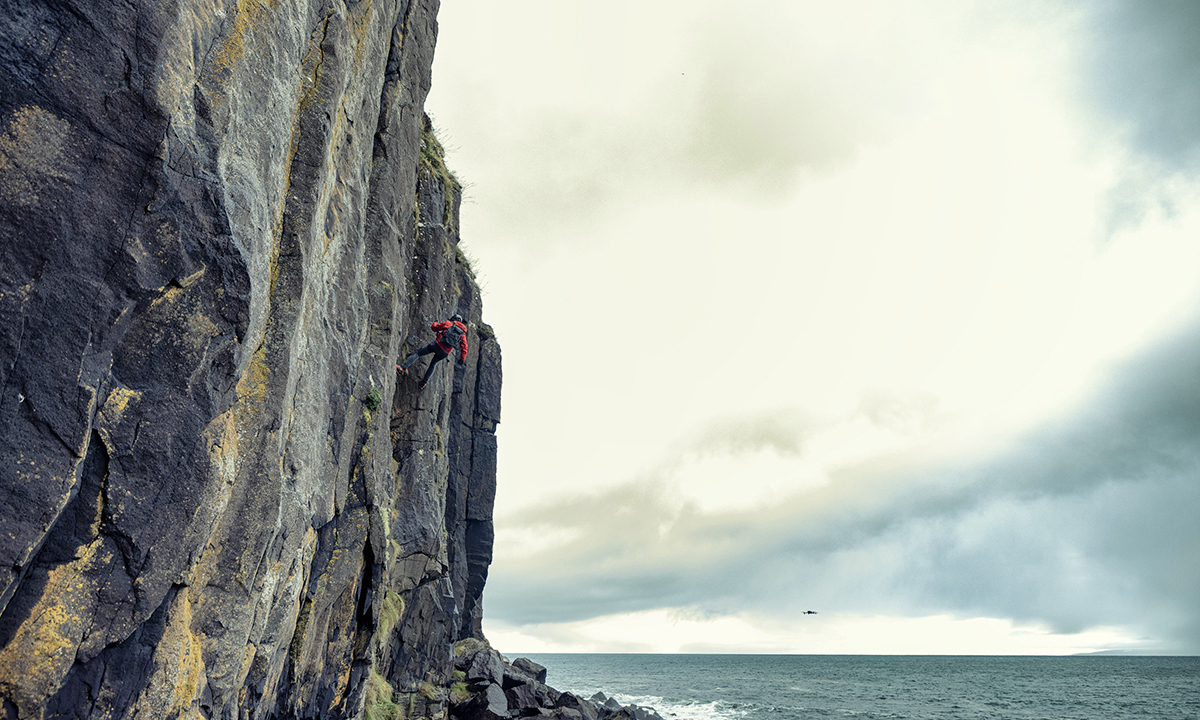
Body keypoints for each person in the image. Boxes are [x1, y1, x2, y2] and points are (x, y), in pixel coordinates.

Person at [397, 313, 468, 388]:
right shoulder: (462, 334)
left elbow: (434, 328)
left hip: (436, 345)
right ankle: (423, 382)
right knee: (433, 364)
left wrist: (435, 322)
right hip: (444, 353)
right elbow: (464, 348)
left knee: (418, 353)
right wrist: (462, 359)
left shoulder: (449, 323)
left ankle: (402, 368)